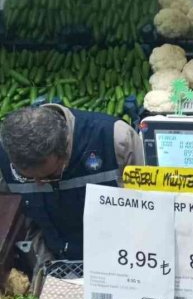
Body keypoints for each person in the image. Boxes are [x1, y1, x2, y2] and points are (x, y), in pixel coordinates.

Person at [0, 103, 144, 262]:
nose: (39, 183)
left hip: (120, 258)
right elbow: (23, 222)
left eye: (50, 175)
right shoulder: (4, 159)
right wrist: (45, 265)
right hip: (53, 261)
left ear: (65, 148)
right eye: (26, 178)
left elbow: (148, 208)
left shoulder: (115, 139)